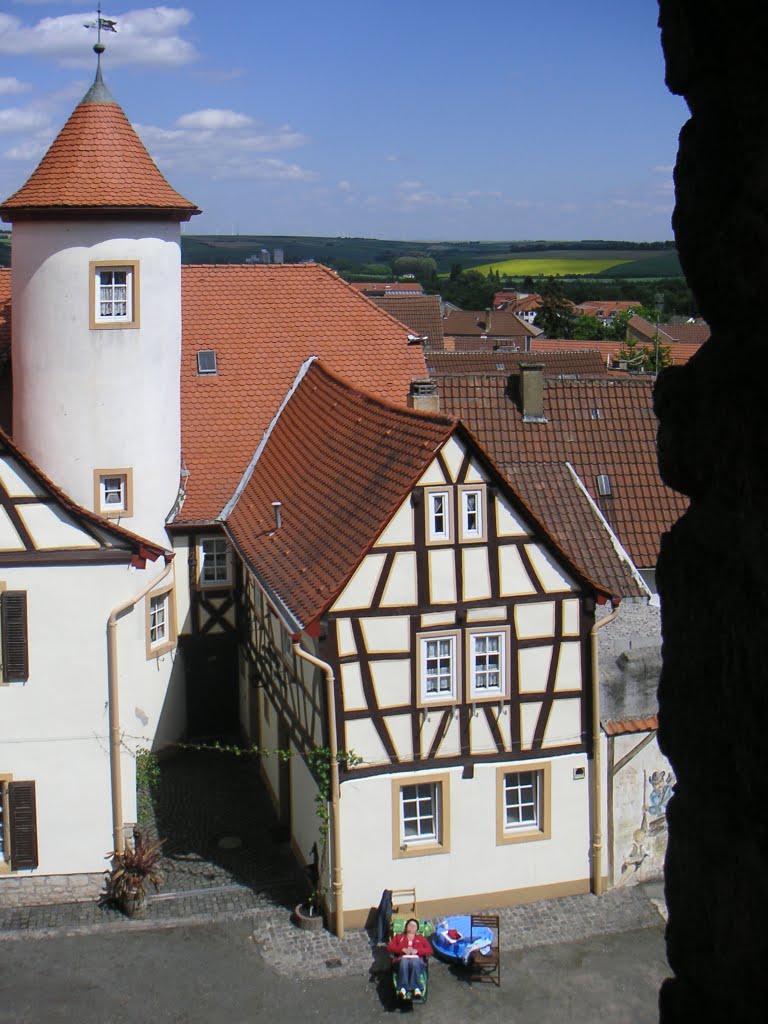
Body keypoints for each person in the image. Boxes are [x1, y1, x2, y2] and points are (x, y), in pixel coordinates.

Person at [387, 918, 432, 998]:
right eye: (409, 925)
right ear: (406, 927)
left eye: (414, 925)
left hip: (417, 961)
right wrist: (402, 950)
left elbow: (429, 950)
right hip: (401, 961)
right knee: (404, 961)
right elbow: (390, 947)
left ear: (416, 929)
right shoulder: (399, 937)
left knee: (414, 961)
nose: (411, 926)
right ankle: (403, 987)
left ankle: (416, 988)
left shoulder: (421, 938)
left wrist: (417, 951)